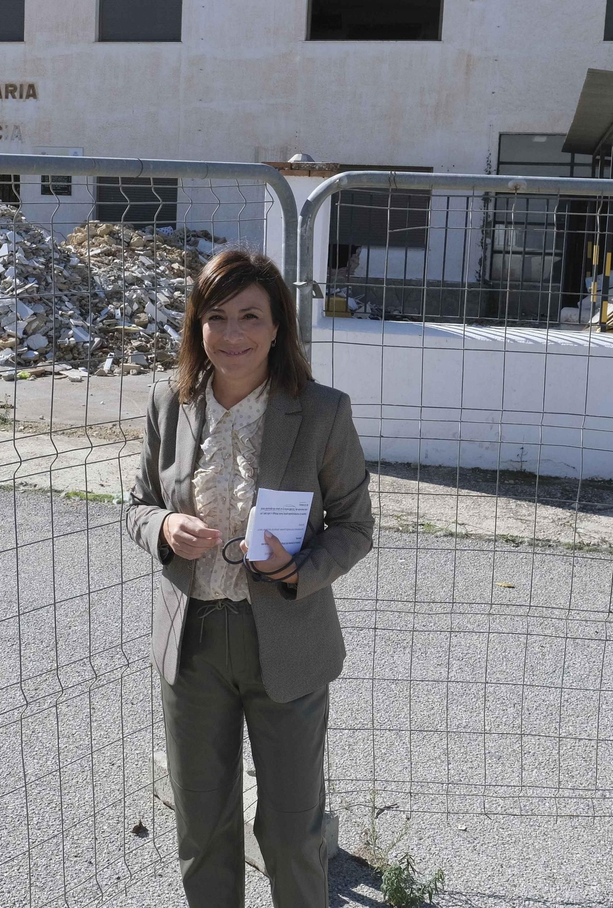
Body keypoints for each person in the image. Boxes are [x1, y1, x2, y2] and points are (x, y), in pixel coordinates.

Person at [128, 249, 374, 908]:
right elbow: (136, 504)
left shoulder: (321, 411)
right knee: (203, 828)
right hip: (194, 643)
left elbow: (355, 526)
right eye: (217, 317)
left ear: (276, 327)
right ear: (196, 326)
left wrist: (302, 568)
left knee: (293, 833)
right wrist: (162, 529)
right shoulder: (167, 404)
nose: (233, 335)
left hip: (287, 644)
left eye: (250, 317)